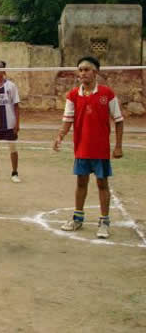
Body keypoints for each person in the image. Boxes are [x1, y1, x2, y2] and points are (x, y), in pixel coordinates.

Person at [54, 56, 124, 239]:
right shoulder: (73, 95)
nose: (83, 73)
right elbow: (67, 119)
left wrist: (118, 146)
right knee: (81, 182)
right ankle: (77, 218)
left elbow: (119, 120)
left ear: (96, 72)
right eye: (80, 70)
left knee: (102, 183)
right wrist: (60, 135)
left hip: (100, 149)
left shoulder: (107, 94)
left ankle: (104, 222)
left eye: (87, 69)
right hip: (82, 148)